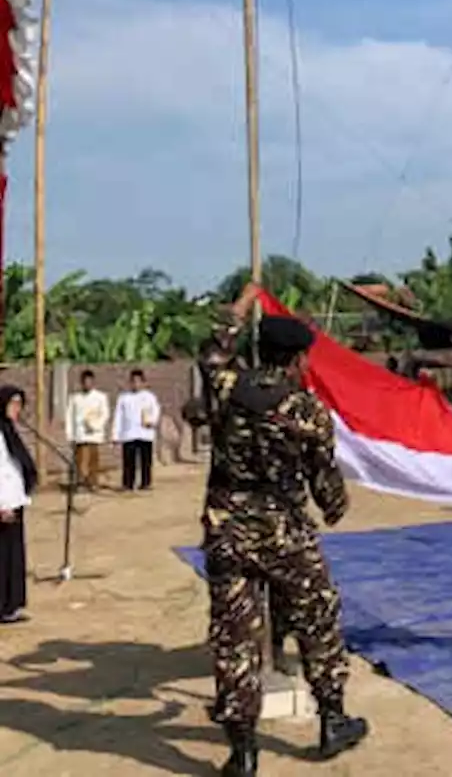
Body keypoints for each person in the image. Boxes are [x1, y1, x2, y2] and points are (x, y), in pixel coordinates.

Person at [195, 284, 368, 775]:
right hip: (285, 534)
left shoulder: (226, 387)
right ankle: (332, 720)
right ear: (297, 360)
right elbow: (326, 485)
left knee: (233, 637)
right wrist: (336, 507)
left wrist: (244, 302)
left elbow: (214, 346)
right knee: (318, 619)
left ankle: (243, 751)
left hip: (227, 531)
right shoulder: (307, 411)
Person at [0, 387, 36, 624]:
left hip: (15, 500)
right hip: (4, 505)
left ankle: (9, 606)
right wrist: (2, 505)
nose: (17, 409)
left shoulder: (9, 430)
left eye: (19, 404)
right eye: (12, 403)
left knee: (13, 556)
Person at [113, 369, 161, 492]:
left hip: (145, 433)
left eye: (139, 382)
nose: (136, 384)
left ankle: (146, 483)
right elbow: (118, 416)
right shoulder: (124, 398)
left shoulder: (149, 397)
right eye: (133, 382)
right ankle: (128, 483)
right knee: (129, 461)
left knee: (146, 460)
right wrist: (116, 434)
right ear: (130, 382)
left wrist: (151, 421)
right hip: (129, 433)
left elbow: (156, 411)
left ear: (144, 382)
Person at [65, 369, 110, 491]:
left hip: (94, 434)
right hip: (80, 434)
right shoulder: (75, 398)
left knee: (93, 459)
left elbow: (105, 414)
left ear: (93, 382)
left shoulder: (100, 397)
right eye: (85, 382)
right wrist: (70, 435)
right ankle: (81, 482)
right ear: (81, 383)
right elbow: (69, 416)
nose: (87, 384)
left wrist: (95, 425)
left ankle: (93, 482)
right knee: (80, 459)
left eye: (89, 382)